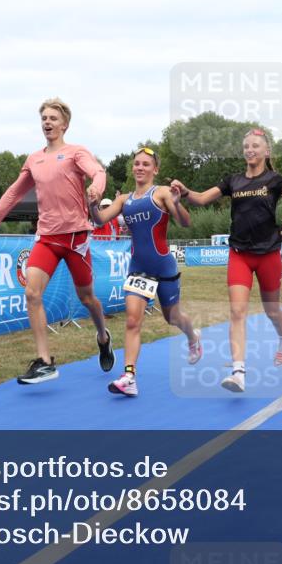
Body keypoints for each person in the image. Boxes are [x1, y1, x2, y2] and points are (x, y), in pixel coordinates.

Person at [0, 97, 114, 384]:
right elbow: (12, 194)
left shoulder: (76, 153)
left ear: (65, 125)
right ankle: (45, 362)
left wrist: (97, 189)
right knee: (32, 294)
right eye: (44, 119)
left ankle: (102, 335)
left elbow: (98, 171)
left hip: (76, 238)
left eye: (52, 119)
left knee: (88, 298)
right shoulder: (34, 159)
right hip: (47, 237)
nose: (47, 123)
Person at [171, 128, 282, 393]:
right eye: (246, 146)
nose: (250, 150)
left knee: (272, 310)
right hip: (239, 255)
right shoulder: (232, 181)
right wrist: (185, 191)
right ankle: (238, 372)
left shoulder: (276, 180)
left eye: (255, 146)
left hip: (269, 254)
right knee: (237, 312)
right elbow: (201, 199)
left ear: (266, 151)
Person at [90, 147, 202, 397]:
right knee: (132, 320)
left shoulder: (161, 192)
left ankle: (192, 336)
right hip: (138, 267)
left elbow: (185, 223)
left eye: (146, 164)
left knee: (172, 318)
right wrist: (92, 204)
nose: (140, 168)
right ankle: (129, 376)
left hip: (164, 267)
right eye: (137, 163)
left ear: (155, 169)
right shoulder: (123, 199)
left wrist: (176, 203)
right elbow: (99, 220)